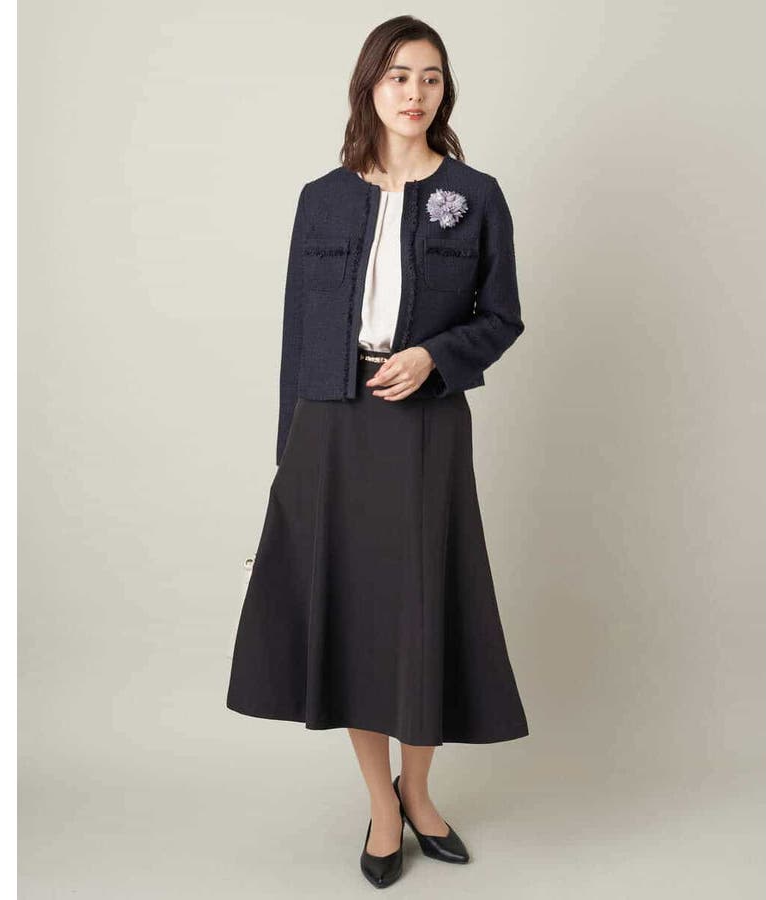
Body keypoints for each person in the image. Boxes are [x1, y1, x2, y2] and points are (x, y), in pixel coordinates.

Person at [226, 15, 529, 888]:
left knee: (421, 610)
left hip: (426, 422)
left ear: (445, 90)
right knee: (354, 616)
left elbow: (502, 316)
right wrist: (287, 462)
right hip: (332, 425)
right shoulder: (321, 199)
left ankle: (420, 791)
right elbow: (297, 335)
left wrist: (435, 357)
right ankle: (382, 806)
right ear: (369, 86)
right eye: (398, 75)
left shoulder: (475, 195)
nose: (414, 92)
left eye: (430, 77)